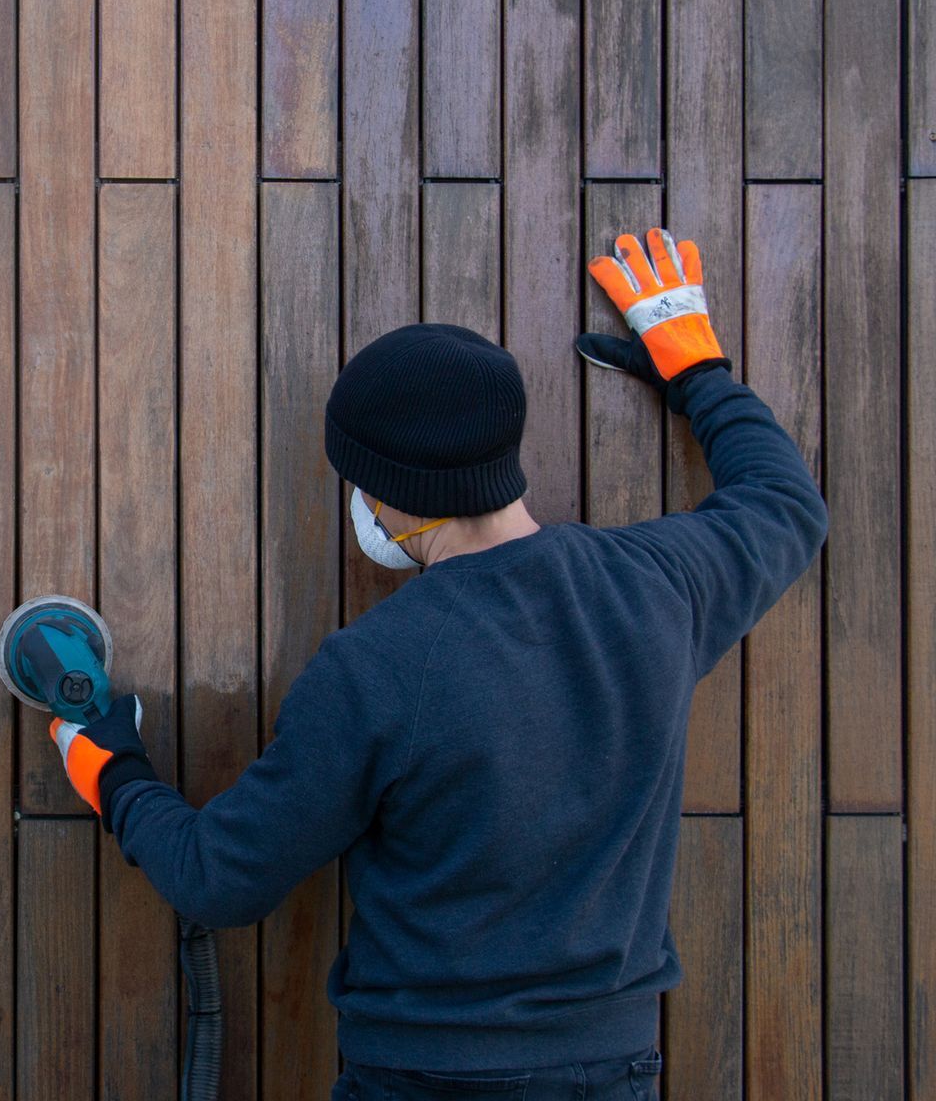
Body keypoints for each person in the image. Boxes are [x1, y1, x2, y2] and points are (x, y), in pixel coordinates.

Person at [42, 230, 827, 1099]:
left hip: (425, 1079)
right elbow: (785, 504)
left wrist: (111, 770)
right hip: (614, 1071)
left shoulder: (371, 671)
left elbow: (218, 878)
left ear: (386, 495)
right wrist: (695, 367)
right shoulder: (657, 588)